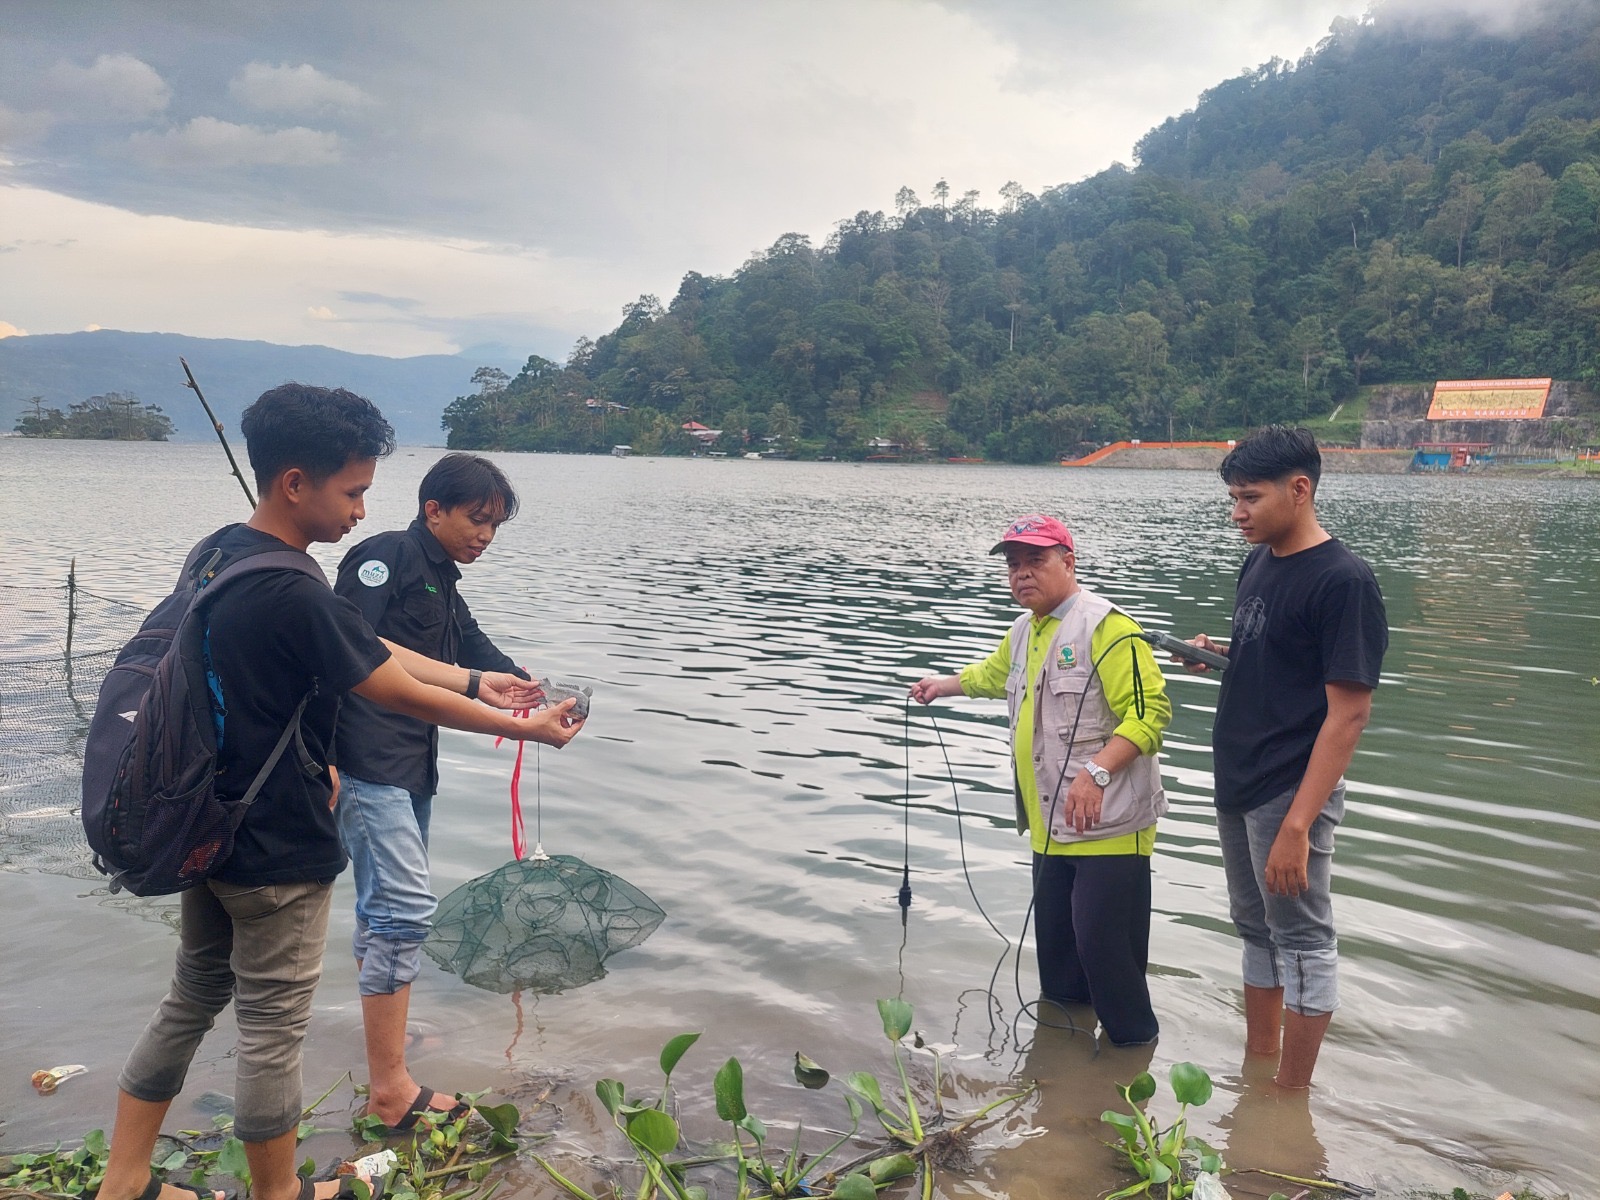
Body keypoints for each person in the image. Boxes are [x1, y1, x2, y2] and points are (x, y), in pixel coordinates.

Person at [97, 386, 582, 1200]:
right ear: (295, 483)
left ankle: (124, 1178)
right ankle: (281, 1194)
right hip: (276, 841)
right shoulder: (293, 586)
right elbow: (388, 681)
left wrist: (480, 680)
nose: (362, 510)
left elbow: (369, 646)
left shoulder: (222, 553)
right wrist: (529, 728)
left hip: (204, 820)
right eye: (353, 491)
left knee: (191, 996)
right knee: (273, 1030)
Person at [910, 514, 1171, 1046]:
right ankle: (1063, 1082)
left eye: (1036, 560)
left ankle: (1133, 1064)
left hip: (1111, 830)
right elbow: (992, 675)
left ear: (1068, 562)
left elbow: (1151, 716)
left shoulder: (1110, 629)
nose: (1021, 574)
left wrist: (1095, 773)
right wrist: (944, 685)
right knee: (1058, 968)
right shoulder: (1025, 629)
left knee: (1109, 963)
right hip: (1050, 827)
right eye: (1013, 565)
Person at [332, 453, 536, 1130]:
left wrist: (526, 685)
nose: (485, 536)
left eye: (495, 526)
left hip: (411, 762)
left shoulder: (442, 580)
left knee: (382, 913)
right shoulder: (384, 556)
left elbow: (468, 645)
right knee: (403, 913)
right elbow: (344, 645)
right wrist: (327, 761)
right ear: (433, 510)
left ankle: (389, 1047)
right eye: (477, 520)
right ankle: (391, 1090)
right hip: (365, 759)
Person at [1186, 425, 1387, 1089]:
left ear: (1300, 489)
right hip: (1237, 778)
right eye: (1232, 499)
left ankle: (1292, 1092)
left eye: (1249, 497)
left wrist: (1299, 825)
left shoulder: (1343, 582)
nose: (1236, 513)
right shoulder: (1260, 562)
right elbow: (1271, 662)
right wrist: (1214, 653)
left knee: (1300, 935)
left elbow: (1348, 713)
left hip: (1287, 790)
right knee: (1253, 928)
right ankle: (1259, 1069)